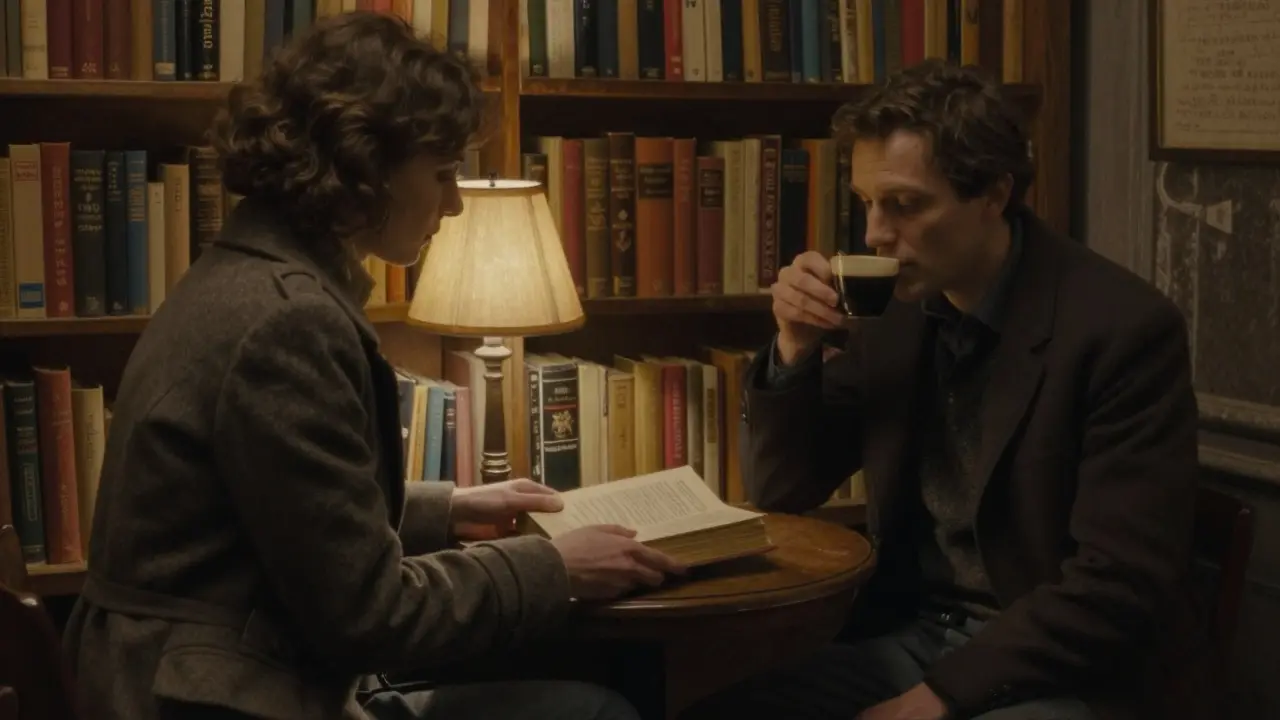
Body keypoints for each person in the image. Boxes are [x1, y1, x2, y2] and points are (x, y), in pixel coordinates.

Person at [62, 12, 684, 720]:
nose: (453, 204)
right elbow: (367, 616)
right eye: (444, 173)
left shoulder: (250, 276)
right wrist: (552, 569)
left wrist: (446, 509)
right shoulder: (286, 319)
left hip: (185, 675)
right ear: (363, 168)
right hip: (213, 700)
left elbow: (266, 511)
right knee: (596, 710)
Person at [687, 60, 1199, 719]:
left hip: (1063, 668)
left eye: (905, 204)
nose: (874, 234)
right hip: (914, 636)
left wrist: (942, 697)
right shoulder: (898, 311)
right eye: (867, 202)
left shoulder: (1122, 329)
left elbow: (1117, 585)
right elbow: (785, 489)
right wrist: (793, 349)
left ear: (993, 193)